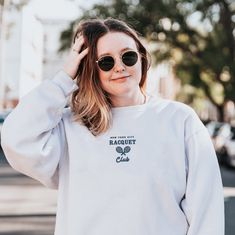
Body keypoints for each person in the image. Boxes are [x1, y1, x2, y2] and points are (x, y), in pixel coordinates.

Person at [1, 18, 224, 235]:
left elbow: (206, 208)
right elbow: (15, 138)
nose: (119, 67)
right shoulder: (72, 126)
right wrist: (63, 80)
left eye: (128, 57)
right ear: (90, 68)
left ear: (141, 59)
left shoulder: (180, 119)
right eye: (106, 61)